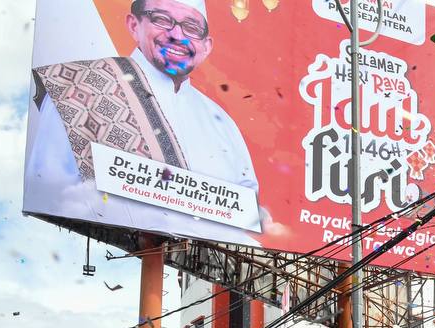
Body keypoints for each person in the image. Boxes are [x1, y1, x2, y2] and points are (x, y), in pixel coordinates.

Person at [24, 0, 263, 245]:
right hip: (91, 253)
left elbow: (245, 209)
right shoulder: (80, 87)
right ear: (133, 25)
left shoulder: (221, 123)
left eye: (191, 27)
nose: (177, 35)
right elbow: (48, 186)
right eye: (161, 19)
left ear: (206, 45)